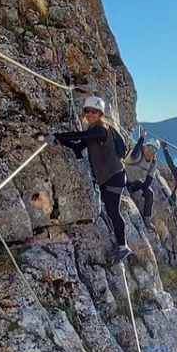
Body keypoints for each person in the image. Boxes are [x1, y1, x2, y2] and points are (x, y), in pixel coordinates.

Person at [46, 96, 131, 263]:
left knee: (114, 211)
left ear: (100, 114)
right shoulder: (96, 131)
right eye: (87, 111)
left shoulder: (100, 129)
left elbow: (79, 135)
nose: (90, 114)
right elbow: (78, 145)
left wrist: (54, 134)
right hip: (113, 177)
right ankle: (122, 245)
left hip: (112, 177)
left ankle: (123, 247)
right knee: (113, 210)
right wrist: (57, 140)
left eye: (94, 112)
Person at [124, 137, 161, 231]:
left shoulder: (153, 163)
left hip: (135, 183)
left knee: (150, 194)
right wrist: (141, 138)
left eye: (154, 150)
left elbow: (148, 180)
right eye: (150, 148)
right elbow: (133, 155)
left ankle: (147, 220)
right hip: (123, 178)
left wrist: (140, 191)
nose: (151, 152)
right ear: (144, 146)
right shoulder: (137, 153)